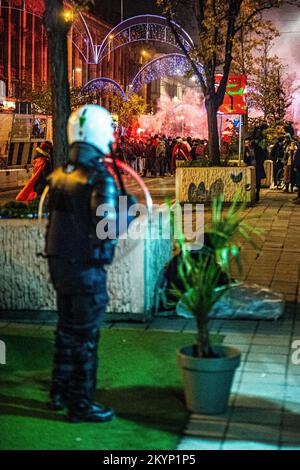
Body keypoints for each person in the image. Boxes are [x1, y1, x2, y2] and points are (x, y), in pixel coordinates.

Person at [45, 105, 135, 423]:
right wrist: (128, 212)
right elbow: (106, 229)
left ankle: (59, 392)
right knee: (86, 336)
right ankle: (81, 404)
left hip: (60, 266)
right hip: (86, 269)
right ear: (99, 133)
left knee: (66, 330)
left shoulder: (60, 173)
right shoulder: (99, 176)